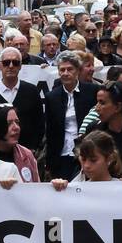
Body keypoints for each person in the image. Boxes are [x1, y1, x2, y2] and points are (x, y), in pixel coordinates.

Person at [0, 47, 44, 152]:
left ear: (20, 66)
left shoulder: (32, 91)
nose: (11, 66)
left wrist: (33, 147)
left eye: (15, 63)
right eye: (6, 62)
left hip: (27, 153)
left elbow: (39, 123)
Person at [45, 51, 99, 181]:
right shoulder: (52, 97)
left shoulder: (92, 91)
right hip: (62, 153)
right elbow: (51, 131)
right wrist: (49, 162)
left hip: (88, 151)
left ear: (78, 71)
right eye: (62, 70)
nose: (65, 73)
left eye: (70, 69)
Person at [0, 105, 41, 182]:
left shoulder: (26, 155)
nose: (16, 127)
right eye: (9, 123)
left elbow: (37, 188)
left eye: (17, 122)